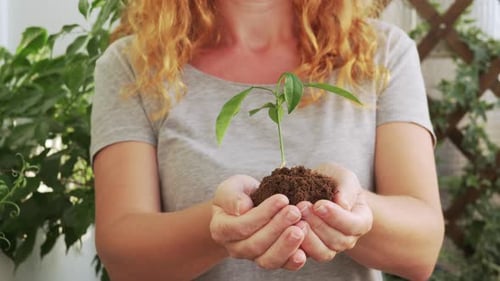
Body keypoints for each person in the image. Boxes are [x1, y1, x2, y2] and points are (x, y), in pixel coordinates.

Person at [90, 1, 445, 280]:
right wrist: (220, 226)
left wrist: (352, 210)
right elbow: (123, 258)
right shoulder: (133, 65)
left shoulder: (382, 53)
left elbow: (422, 250)